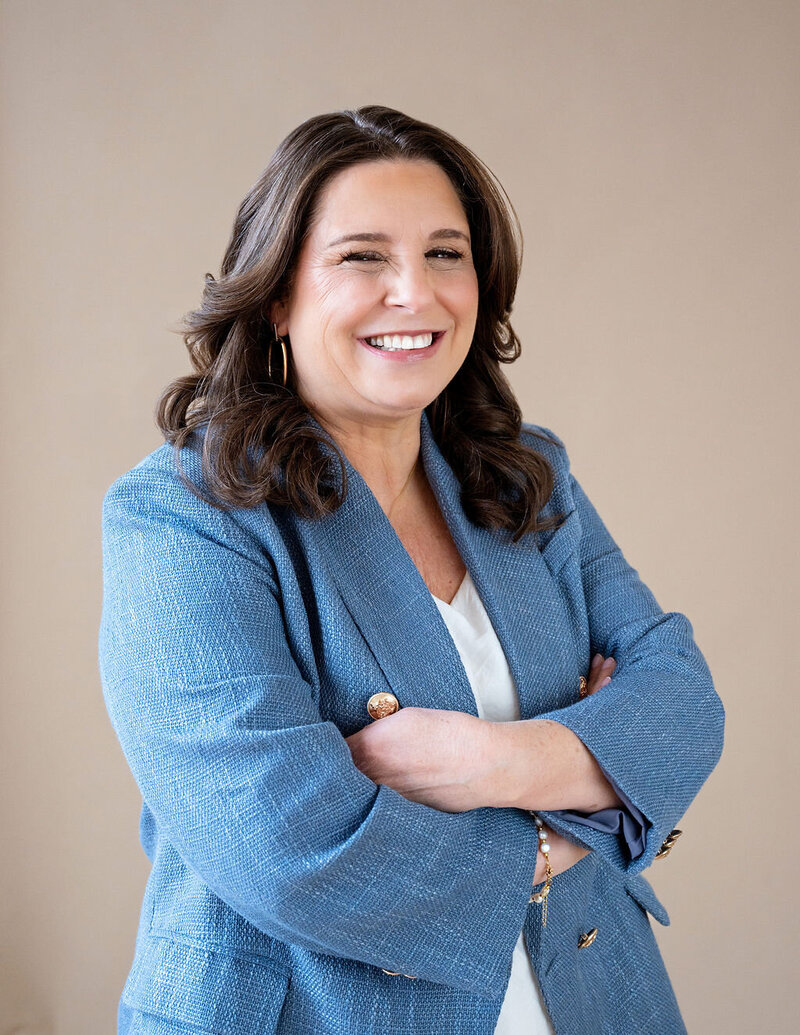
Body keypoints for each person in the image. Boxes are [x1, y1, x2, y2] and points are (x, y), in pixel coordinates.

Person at [99, 105, 724, 1035]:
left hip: (589, 998)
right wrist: (573, 816)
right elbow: (290, 844)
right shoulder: (186, 515)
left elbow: (681, 705)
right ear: (277, 294)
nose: (415, 293)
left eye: (445, 253)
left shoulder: (523, 474)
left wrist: (493, 760)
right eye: (362, 257)